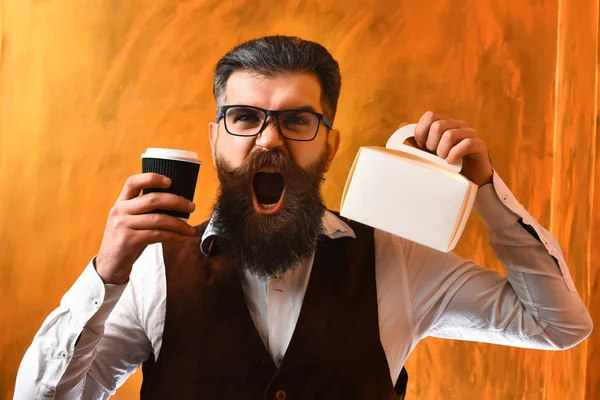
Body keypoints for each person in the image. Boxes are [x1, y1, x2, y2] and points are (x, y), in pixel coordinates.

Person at [14, 36, 592, 400]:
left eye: (297, 121)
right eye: (244, 118)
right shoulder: (152, 271)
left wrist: (485, 189)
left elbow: (559, 326)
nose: (269, 140)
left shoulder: (391, 258)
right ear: (217, 139)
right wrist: (106, 274)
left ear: (330, 146)